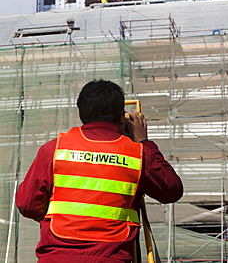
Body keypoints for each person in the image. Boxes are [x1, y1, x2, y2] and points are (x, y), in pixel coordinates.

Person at [16, 79, 183, 263]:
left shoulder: (54, 150)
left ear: (82, 113)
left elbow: (27, 205)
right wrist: (144, 142)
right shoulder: (138, 155)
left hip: (56, 258)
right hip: (111, 258)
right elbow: (171, 190)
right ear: (121, 117)